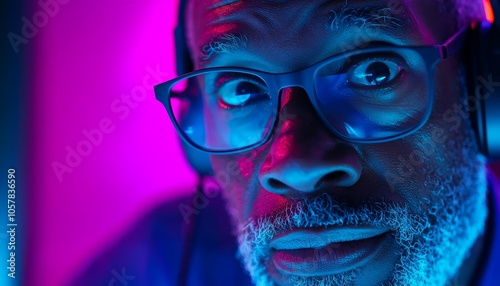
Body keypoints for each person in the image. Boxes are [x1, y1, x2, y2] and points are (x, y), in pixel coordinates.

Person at [71, 0, 500, 285]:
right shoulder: (156, 264)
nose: (296, 165)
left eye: (374, 71)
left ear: (482, 86)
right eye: (240, 90)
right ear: (200, 123)